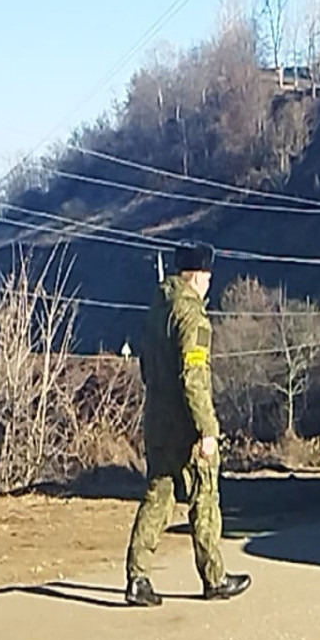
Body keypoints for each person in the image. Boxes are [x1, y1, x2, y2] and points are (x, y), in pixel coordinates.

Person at [124, 241, 251, 607]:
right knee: (205, 496)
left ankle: (137, 576)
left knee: (158, 495)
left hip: (157, 418)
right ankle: (214, 577)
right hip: (185, 423)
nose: (210, 283)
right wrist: (207, 429)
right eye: (208, 276)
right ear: (199, 276)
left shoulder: (156, 310)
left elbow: (146, 366)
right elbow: (194, 377)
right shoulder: (192, 317)